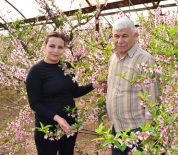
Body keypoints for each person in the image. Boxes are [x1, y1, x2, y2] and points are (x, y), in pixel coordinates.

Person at [26, 31, 104, 155]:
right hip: (48, 126)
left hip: (69, 123)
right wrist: (57, 118)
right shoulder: (36, 71)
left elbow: (74, 92)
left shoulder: (66, 66)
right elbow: (34, 103)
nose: (56, 50)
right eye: (52, 46)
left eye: (60, 47)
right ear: (45, 46)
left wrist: (93, 85)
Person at [106, 17, 159, 155]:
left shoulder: (145, 59)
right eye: (116, 36)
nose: (120, 41)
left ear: (135, 35)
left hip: (136, 130)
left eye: (125, 36)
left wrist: (147, 133)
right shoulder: (113, 57)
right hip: (116, 129)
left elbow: (152, 99)